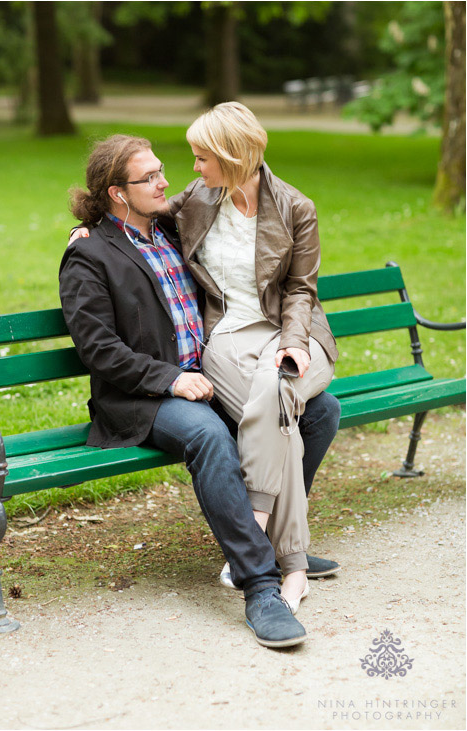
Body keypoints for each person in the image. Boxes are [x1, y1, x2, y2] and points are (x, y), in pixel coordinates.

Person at [59, 134, 339, 648]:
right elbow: (98, 349)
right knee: (210, 438)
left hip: (213, 374)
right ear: (118, 193)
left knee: (319, 410)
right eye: (151, 177)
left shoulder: (173, 225)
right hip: (144, 396)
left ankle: (266, 540)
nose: (167, 182)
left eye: (162, 170)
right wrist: (171, 379)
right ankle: (259, 585)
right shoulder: (90, 257)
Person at [170, 102, 337, 613]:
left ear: (233, 155)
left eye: (202, 157)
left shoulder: (295, 207)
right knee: (282, 410)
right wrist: (82, 225)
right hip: (226, 334)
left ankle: (255, 527)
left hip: (294, 332)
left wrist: (293, 342)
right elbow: (128, 211)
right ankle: (294, 568)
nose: (194, 167)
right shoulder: (197, 199)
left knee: (277, 389)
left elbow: (300, 290)